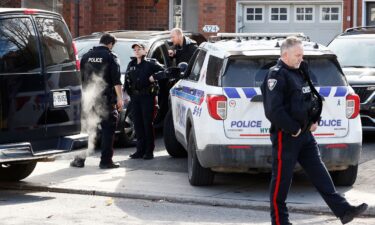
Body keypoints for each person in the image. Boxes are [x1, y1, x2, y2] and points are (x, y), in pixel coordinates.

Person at [260, 36, 367, 225]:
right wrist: (293, 129)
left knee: (320, 175)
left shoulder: (300, 71)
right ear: (285, 54)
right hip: (287, 136)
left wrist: (314, 119)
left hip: (306, 136)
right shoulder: (276, 75)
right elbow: (274, 111)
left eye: (302, 54)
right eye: (297, 55)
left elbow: (309, 99)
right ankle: (279, 222)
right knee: (281, 183)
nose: (301, 58)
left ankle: (343, 211)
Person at [70, 33, 123, 169]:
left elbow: (80, 78)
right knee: (108, 130)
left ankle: (79, 160)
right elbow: (116, 81)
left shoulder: (86, 56)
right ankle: (106, 161)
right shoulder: (111, 57)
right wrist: (120, 98)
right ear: (110, 44)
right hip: (105, 100)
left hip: (88, 99)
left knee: (87, 129)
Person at [125, 43, 165, 160]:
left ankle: (149, 151)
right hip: (135, 98)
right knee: (137, 124)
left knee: (147, 124)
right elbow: (127, 80)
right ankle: (139, 150)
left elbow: (165, 72)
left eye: (139, 49)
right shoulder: (131, 64)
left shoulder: (150, 63)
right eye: (135, 50)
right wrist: (128, 93)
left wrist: (155, 76)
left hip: (147, 97)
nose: (136, 51)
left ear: (145, 51)